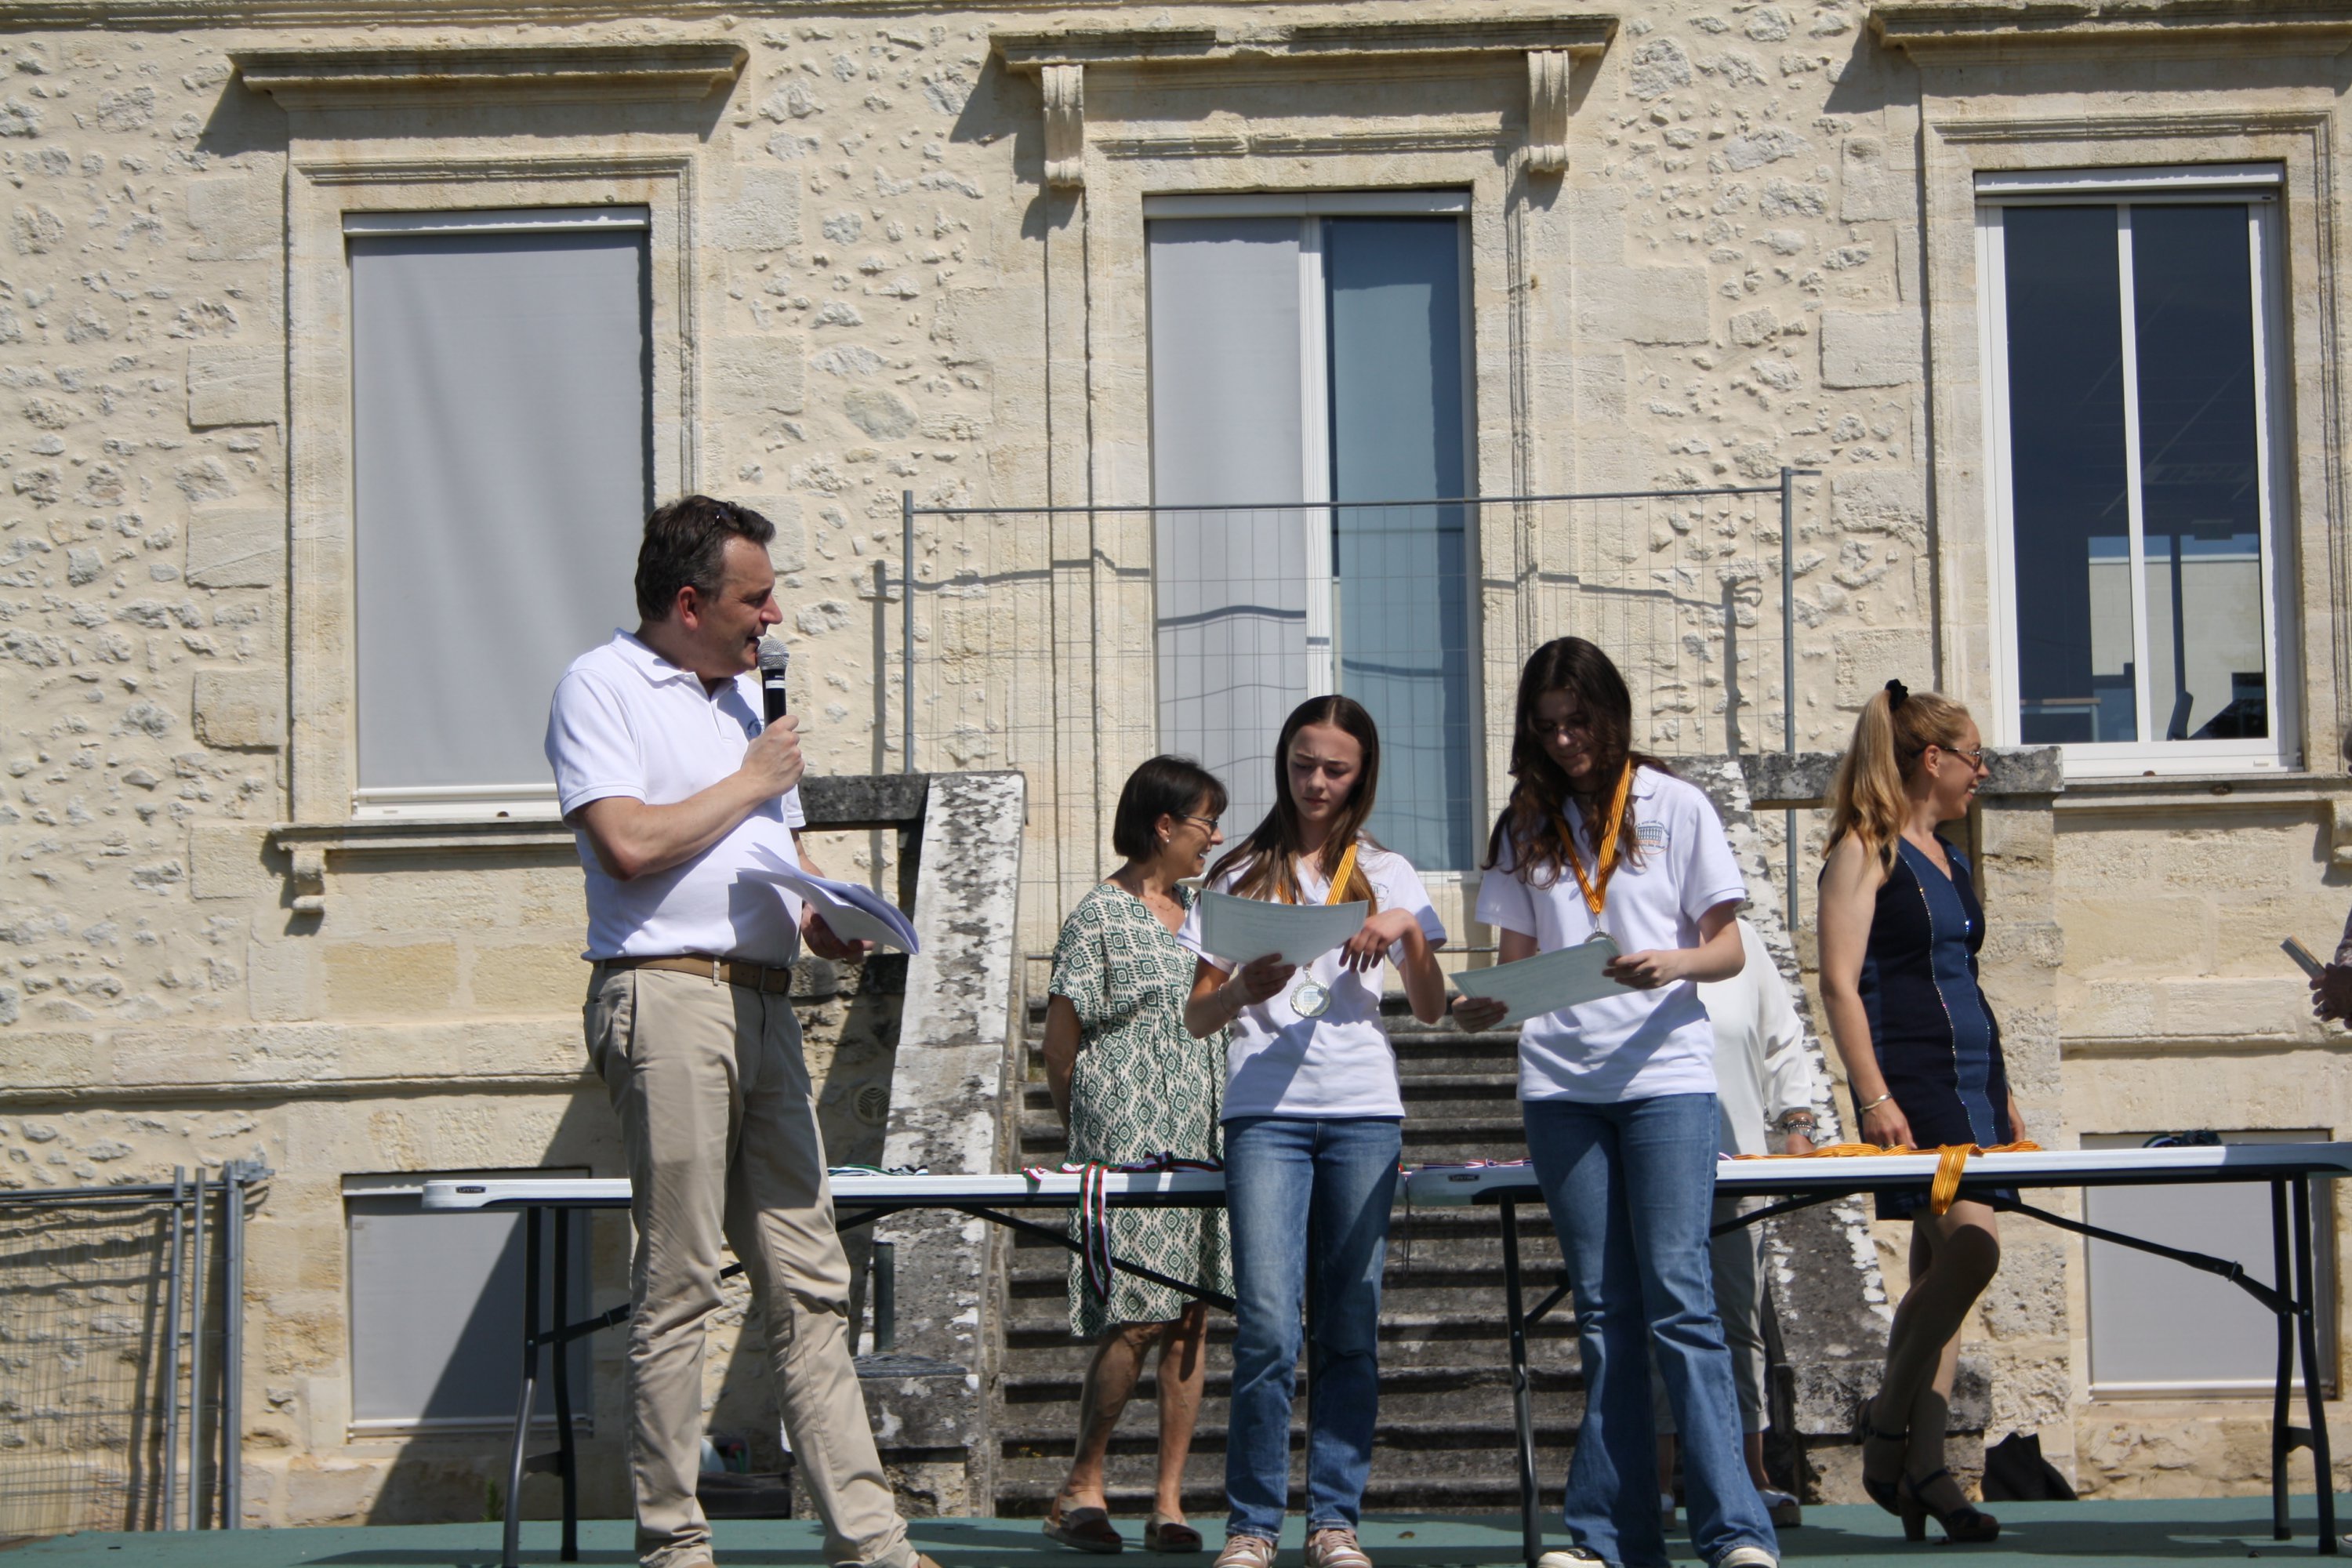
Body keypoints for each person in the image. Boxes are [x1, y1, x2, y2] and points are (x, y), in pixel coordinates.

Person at [545, 495, 942, 1568]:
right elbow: (628, 844)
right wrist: (752, 779)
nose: (773, 616)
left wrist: (823, 914)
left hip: (765, 999)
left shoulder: (745, 706)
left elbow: (777, 850)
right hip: (665, 994)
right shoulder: (601, 685)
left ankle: (873, 1544)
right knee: (680, 1278)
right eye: (755, 597)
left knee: (810, 1281)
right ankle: (675, 1547)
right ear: (690, 603)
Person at [1454, 637, 1779, 1568]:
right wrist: (1488, 1004)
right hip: (1562, 1085)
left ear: (1611, 714)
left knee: (1680, 1297)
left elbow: (1728, 947)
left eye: (1578, 722)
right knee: (1602, 1310)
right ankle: (1610, 1536)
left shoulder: (1675, 803)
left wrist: (1670, 961)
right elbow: (1518, 965)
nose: (1565, 741)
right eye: (1548, 726)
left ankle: (1735, 1529)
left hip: (1665, 1078)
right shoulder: (1524, 823)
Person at [1178, 696, 1449, 1568]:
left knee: (1349, 1322)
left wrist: (1408, 933)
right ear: (1283, 763)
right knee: (1265, 1322)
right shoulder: (1237, 872)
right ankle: (1253, 1526)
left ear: (1362, 773)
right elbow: (1196, 1017)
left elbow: (1433, 1007)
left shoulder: (1387, 869)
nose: (1317, 782)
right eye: (1303, 764)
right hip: (1265, 1112)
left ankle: (1334, 1520)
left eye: (1336, 768)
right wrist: (1239, 991)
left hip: (1363, 1109)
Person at [1817, 678, 2015, 1547]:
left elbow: (1965, 976)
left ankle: (1927, 1468)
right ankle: (1888, 1421)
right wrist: (1874, 1095)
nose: (1983, 773)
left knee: (1941, 1276)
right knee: (1973, 1249)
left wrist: (2005, 1087)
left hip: (1974, 1081)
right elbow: (1839, 982)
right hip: (1915, 1083)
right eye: (1975, 757)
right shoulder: (1864, 849)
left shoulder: (1952, 856)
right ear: (1932, 759)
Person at [1040, 756, 1236, 1555]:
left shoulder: (1208, 914)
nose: (1214, 838)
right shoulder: (1097, 914)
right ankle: (1081, 1484)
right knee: (1138, 1313)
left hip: (1203, 1133)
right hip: (1126, 1141)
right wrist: (1092, 1136)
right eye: (1205, 822)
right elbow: (1059, 1046)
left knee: (1191, 1316)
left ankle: (1168, 1499)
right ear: (1164, 825)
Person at [1653, 918, 1817, 1533]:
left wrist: (1796, 1121)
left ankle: (1751, 1475)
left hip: (1739, 1162)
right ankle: (1657, 1480)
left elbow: (1782, 1035)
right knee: (1656, 1318)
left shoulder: (1741, 938)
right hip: (1654, 1162)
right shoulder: (1636, 923)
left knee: (1741, 1321)